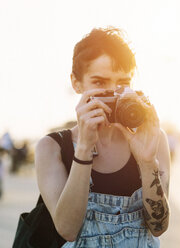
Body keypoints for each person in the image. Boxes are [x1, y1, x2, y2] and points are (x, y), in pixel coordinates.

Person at [35, 27, 171, 247]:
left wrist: (147, 163)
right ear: (76, 83)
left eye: (122, 84)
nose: (113, 93)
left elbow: (159, 226)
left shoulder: (154, 140)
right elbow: (67, 230)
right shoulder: (51, 148)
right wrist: (84, 149)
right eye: (99, 83)